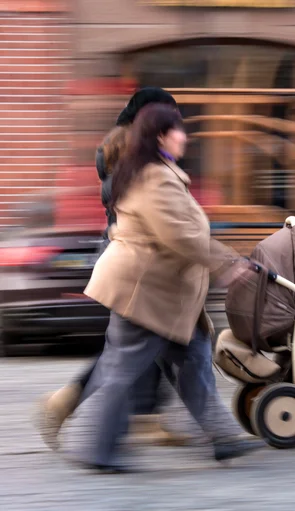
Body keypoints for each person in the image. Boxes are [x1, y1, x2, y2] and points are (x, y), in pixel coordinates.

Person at [65, 104, 262, 472]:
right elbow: (178, 234)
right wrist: (227, 263)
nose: (185, 136)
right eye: (179, 130)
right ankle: (97, 450)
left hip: (164, 295)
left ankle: (223, 437)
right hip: (144, 292)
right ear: (161, 135)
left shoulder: (155, 172)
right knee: (124, 371)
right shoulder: (154, 177)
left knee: (194, 361)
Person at [34, 88, 187, 451]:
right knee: (133, 344)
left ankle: (145, 417)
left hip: (125, 254)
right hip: (139, 259)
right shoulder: (139, 155)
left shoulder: (118, 148)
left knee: (144, 342)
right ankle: (69, 403)